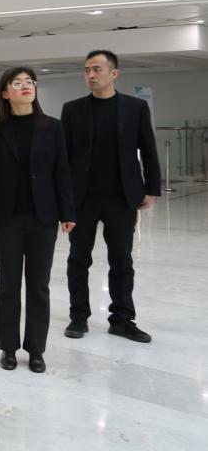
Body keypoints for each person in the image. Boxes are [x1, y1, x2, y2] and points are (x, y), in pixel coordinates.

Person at [0, 67, 76, 373]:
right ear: (5, 93)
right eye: (17, 82)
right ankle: (8, 347)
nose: (26, 86)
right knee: (8, 284)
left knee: (39, 285)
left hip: (43, 217)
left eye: (29, 82)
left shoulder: (53, 127)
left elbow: (62, 172)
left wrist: (68, 212)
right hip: (5, 218)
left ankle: (36, 350)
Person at [60, 50, 161, 343]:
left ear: (113, 73)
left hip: (121, 197)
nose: (91, 75)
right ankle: (79, 316)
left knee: (122, 260)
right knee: (78, 259)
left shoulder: (135, 107)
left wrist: (152, 188)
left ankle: (122, 319)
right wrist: (62, 198)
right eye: (87, 70)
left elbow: (148, 149)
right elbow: (63, 158)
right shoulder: (73, 110)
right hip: (82, 198)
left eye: (97, 69)